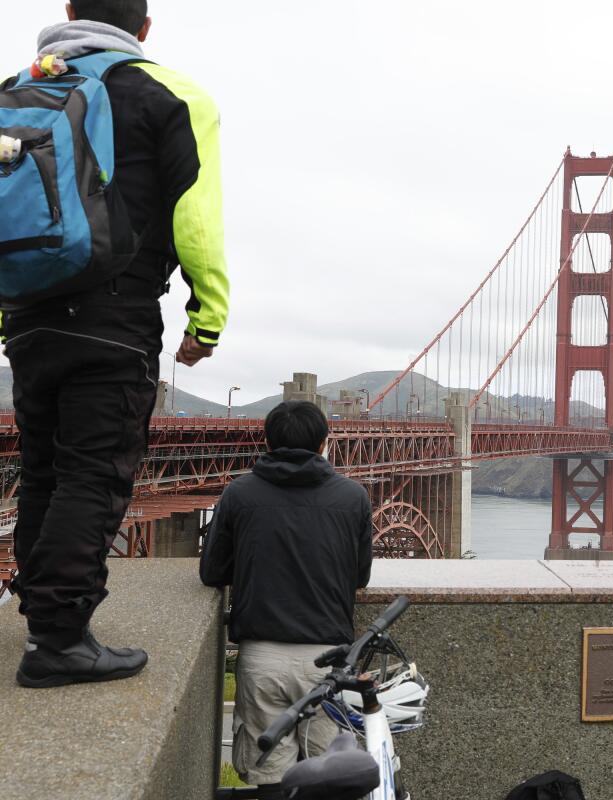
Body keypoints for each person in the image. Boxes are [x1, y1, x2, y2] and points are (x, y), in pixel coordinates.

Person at [4, 0, 229, 688]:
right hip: (113, 315)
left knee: (44, 469)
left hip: (29, 321)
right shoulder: (173, 92)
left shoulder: (18, 89)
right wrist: (208, 316)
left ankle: (39, 607)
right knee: (94, 474)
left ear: (68, 13)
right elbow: (196, 215)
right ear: (144, 27)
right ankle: (59, 639)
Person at [200, 401, 374, 798]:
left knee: (270, 777)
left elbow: (211, 572)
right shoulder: (353, 497)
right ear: (324, 443)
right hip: (329, 660)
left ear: (267, 441)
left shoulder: (239, 493)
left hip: (263, 657)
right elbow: (359, 576)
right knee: (333, 780)